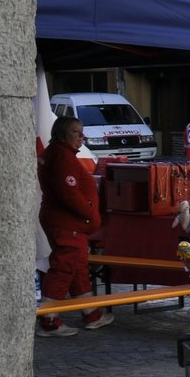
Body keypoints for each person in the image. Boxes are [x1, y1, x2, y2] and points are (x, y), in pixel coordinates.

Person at [37, 116, 111, 337]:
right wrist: (91, 216)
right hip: (68, 224)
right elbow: (68, 193)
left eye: (82, 131)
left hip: (63, 221)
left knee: (77, 265)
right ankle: (49, 320)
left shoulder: (57, 153)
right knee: (64, 267)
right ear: (62, 134)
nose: (82, 136)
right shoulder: (62, 157)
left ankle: (91, 314)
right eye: (76, 132)